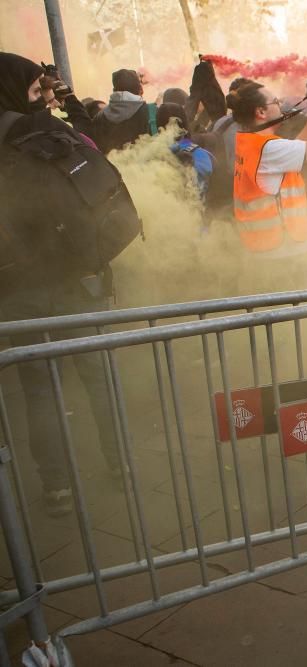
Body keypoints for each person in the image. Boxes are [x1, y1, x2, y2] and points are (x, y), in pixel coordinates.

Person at [0, 52, 123, 517]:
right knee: (97, 375)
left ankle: (56, 487)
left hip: (14, 288)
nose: (43, 99)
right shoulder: (43, 132)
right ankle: (120, 465)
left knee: (39, 389)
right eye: (36, 91)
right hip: (70, 280)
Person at [226, 79, 307, 288]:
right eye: (275, 101)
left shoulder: (252, 142)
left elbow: (298, 145)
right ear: (261, 112)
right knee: (294, 318)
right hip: (282, 256)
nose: (280, 104)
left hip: (266, 252)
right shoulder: (268, 148)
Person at [156, 103, 215, 203]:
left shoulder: (151, 156)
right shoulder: (204, 155)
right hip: (198, 213)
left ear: (159, 126)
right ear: (185, 123)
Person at [91, 68, 156, 153]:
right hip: (150, 165)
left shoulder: (99, 117)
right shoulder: (152, 111)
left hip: (112, 165)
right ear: (139, 89)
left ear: (114, 90)